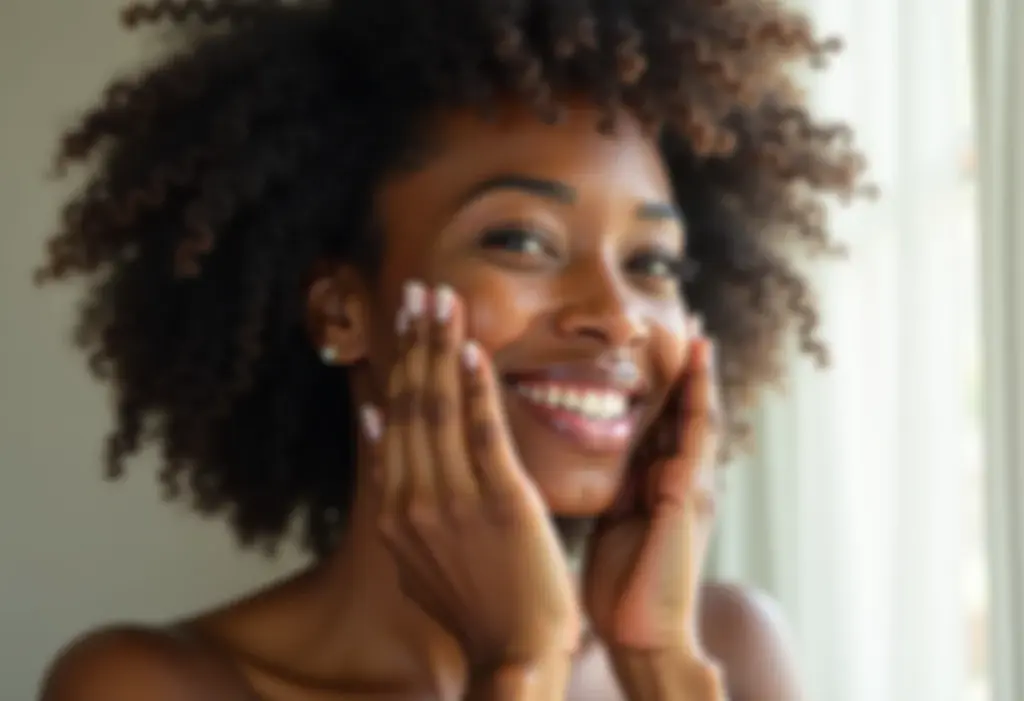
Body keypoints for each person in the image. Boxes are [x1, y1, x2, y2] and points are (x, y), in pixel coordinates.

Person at [34, 1, 870, 699]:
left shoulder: (728, 648)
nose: (618, 317)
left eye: (650, 262)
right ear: (342, 311)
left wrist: (657, 666)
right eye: (520, 240)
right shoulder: (150, 684)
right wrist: (519, 668)